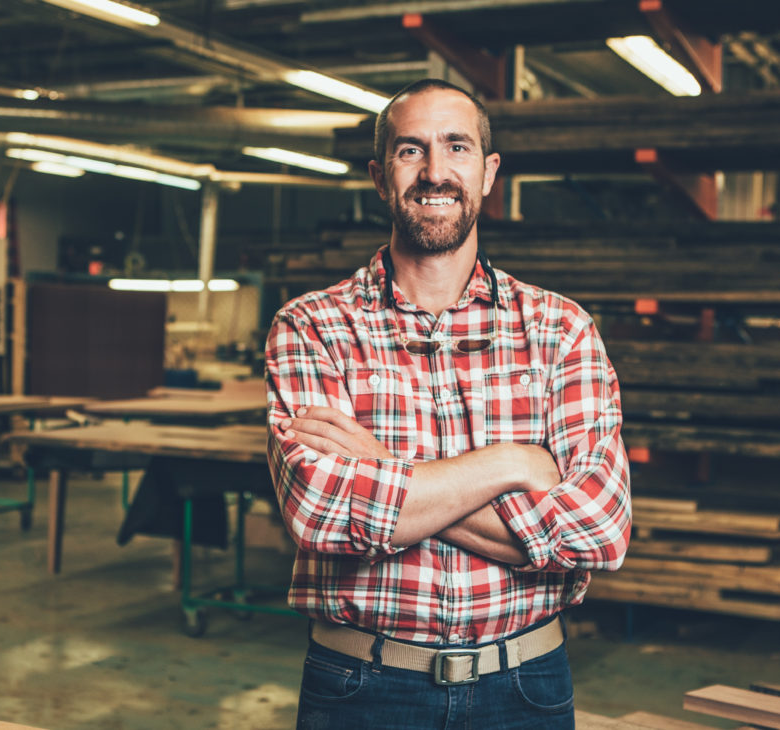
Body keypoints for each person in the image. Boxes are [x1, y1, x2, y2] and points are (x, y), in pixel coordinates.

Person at [265, 79, 631, 729]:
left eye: (456, 147)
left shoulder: (560, 328)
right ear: (380, 177)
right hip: (362, 685)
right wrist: (514, 461)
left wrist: (379, 466)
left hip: (525, 686)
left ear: (488, 173)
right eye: (411, 151)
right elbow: (321, 512)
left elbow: (597, 529)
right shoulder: (312, 326)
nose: (436, 172)